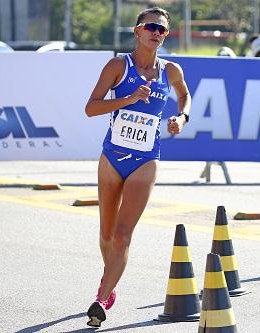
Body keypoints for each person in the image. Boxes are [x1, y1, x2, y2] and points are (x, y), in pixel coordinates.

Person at [84, 7, 191, 327]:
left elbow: (185, 96)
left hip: (146, 159)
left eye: (162, 30)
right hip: (112, 157)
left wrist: (181, 118)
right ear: (137, 30)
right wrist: (128, 99)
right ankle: (110, 279)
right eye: (151, 27)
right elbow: (91, 108)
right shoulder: (119, 65)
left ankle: (102, 296)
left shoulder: (171, 69)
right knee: (105, 234)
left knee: (122, 234)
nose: (157, 33)